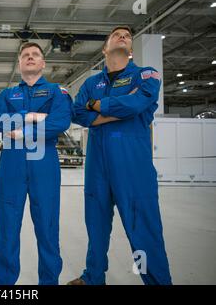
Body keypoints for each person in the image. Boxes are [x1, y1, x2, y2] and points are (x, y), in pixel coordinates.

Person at [69, 26, 172, 285]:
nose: (123, 36)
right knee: (96, 226)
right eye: (117, 34)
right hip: (97, 166)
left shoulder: (146, 75)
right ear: (105, 48)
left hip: (132, 165)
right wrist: (120, 109)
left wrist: (99, 106)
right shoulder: (92, 82)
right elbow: (78, 113)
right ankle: (93, 277)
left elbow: (139, 103)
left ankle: (157, 281)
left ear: (131, 50)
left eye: (127, 35)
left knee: (143, 229)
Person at [0, 42, 73, 285]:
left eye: (35, 54)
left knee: (47, 227)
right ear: (19, 64)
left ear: (43, 63)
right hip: (12, 163)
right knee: (7, 227)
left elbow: (60, 121)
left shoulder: (57, 92)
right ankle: (5, 283)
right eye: (25, 55)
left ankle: (49, 282)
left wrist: (20, 130)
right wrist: (32, 117)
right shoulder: (6, 95)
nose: (30, 57)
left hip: (44, 162)